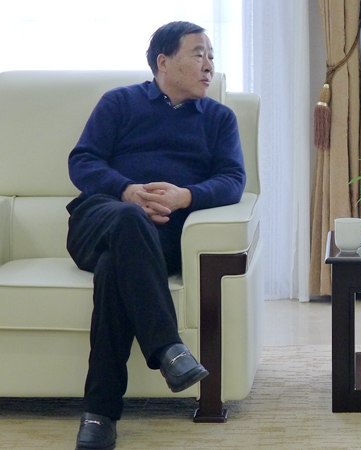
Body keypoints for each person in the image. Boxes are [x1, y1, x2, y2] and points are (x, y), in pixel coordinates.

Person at [67, 21, 246, 450]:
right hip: (101, 218)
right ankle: (169, 348)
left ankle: (99, 415)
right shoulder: (119, 103)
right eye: (198, 54)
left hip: (161, 238)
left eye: (211, 56)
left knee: (115, 270)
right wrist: (127, 191)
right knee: (130, 220)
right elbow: (82, 161)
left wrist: (186, 195)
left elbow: (233, 180)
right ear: (163, 62)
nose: (209, 65)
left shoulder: (219, 119)